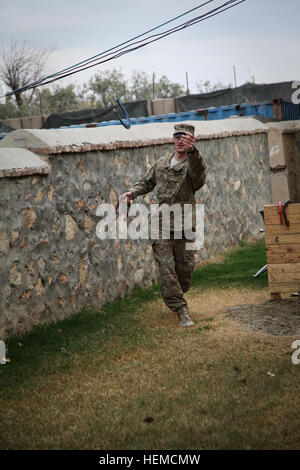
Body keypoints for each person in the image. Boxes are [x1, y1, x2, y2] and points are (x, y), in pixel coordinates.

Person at [119, 123, 206, 327]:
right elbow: (146, 182)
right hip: (161, 225)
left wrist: (194, 152)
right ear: (172, 138)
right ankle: (181, 310)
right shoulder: (161, 163)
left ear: (191, 141)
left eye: (185, 137)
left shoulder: (193, 167)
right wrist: (131, 193)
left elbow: (200, 174)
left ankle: (178, 290)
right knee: (166, 268)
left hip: (185, 225)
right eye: (177, 136)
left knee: (184, 271)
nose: (180, 140)